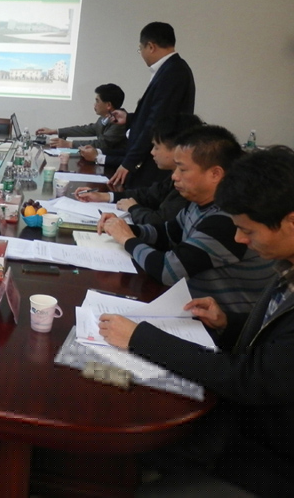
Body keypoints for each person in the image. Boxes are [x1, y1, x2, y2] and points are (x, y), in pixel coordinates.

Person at [98, 146, 294, 497]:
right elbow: (277, 345)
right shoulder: (287, 265)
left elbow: (251, 380)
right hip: (245, 423)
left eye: (248, 231)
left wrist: (140, 338)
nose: (240, 240)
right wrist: (228, 322)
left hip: (266, 452)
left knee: (131, 462)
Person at [97, 125, 274, 313]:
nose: (174, 176)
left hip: (223, 321)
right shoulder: (200, 203)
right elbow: (167, 233)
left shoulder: (227, 219)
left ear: (215, 174)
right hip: (194, 305)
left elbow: (167, 271)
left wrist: (127, 239)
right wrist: (125, 228)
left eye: (182, 169)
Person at [107, 22, 195, 189]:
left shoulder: (173, 72)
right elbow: (156, 113)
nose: (141, 54)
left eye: (140, 49)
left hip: (154, 163)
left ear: (151, 47)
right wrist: (130, 118)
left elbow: (156, 121)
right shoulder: (170, 69)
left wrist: (129, 162)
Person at [75, 114, 202, 224]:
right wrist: (105, 196)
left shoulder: (189, 184)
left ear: (178, 148)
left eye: (156, 147)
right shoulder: (174, 176)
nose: (152, 152)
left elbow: (161, 221)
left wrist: (133, 209)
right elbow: (149, 195)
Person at [36, 83, 127, 152]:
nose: (94, 104)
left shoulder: (119, 122)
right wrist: (54, 131)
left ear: (108, 105)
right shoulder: (104, 118)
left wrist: (70, 144)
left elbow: (103, 144)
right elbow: (86, 129)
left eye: (97, 101)